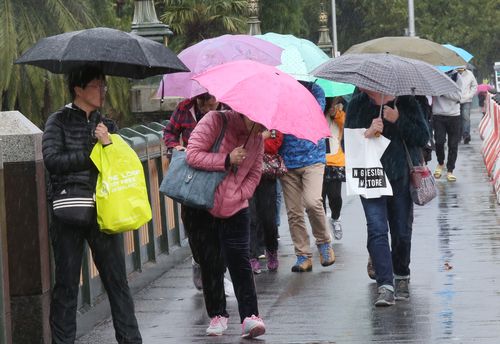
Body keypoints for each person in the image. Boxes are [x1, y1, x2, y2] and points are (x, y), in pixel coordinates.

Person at [42, 65, 142, 343]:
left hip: (103, 210)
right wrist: (91, 151)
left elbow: (119, 165)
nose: (102, 91)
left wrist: (108, 144)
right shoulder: (57, 121)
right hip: (68, 211)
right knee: (66, 286)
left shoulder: (107, 125)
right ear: (78, 89)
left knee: (117, 282)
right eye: (97, 86)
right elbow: (52, 161)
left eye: (104, 86)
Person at [184, 109, 266, 338]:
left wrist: (241, 194)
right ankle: (217, 314)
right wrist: (226, 159)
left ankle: (250, 316)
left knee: (240, 260)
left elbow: (255, 173)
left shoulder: (257, 139)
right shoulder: (215, 120)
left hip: (236, 207)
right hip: (203, 203)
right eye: (260, 121)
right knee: (210, 261)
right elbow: (192, 154)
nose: (264, 127)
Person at [344, 88, 430, 306]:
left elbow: (422, 136)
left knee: (401, 230)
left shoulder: (407, 102)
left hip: (400, 176)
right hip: (370, 176)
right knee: (377, 229)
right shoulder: (357, 104)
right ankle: (385, 285)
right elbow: (347, 145)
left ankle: (401, 275)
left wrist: (398, 119)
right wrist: (368, 131)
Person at [163, 93, 233, 296]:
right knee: (192, 224)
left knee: (219, 224)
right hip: (192, 174)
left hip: (220, 172)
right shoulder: (185, 109)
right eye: (201, 101)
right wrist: (175, 146)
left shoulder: (228, 110)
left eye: (209, 101)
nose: (205, 106)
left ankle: (219, 276)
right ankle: (198, 261)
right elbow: (169, 132)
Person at [279, 81, 335, 272]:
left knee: (313, 202)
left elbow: (311, 113)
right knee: (294, 212)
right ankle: (303, 255)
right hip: (287, 159)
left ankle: (324, 242)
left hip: (313, 157)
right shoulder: (279, 90)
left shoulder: (315, 90)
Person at [249, 129, 283, 273]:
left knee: (268, 217)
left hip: (266, 175)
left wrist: (254, 141)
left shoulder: (273, 122)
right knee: (250, 217)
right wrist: (260, 138)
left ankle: (271, 250)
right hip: (246, 173)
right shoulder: (242, 119)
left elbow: (274, 146)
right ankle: (252, 256)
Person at [322, 96, 346, 240]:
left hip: (335, 159)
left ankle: (335, 218)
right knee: (319, 198)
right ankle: (323, 228)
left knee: (335, 196)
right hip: (318, 159)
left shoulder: (341, 108)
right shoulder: (315, 106)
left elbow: (346, 124)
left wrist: (334, 113)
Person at [432, 70, 462, 182]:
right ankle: (440, 163)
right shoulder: (434, 75)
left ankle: (450, 170)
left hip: (454, 115)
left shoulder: (457, 77)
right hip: (438, 114)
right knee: (439, 142)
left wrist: (443, 92)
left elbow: (458, 96)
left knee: (453, 145)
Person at [456, 67, 478, 144]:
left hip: (467, 99)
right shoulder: (453, 73)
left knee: (466, 117)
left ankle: (466, 135)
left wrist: (470, 95)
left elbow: (474, 86)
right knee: (457, 118)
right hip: (456, 99)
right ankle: (458, 136)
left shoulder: (469, 74)